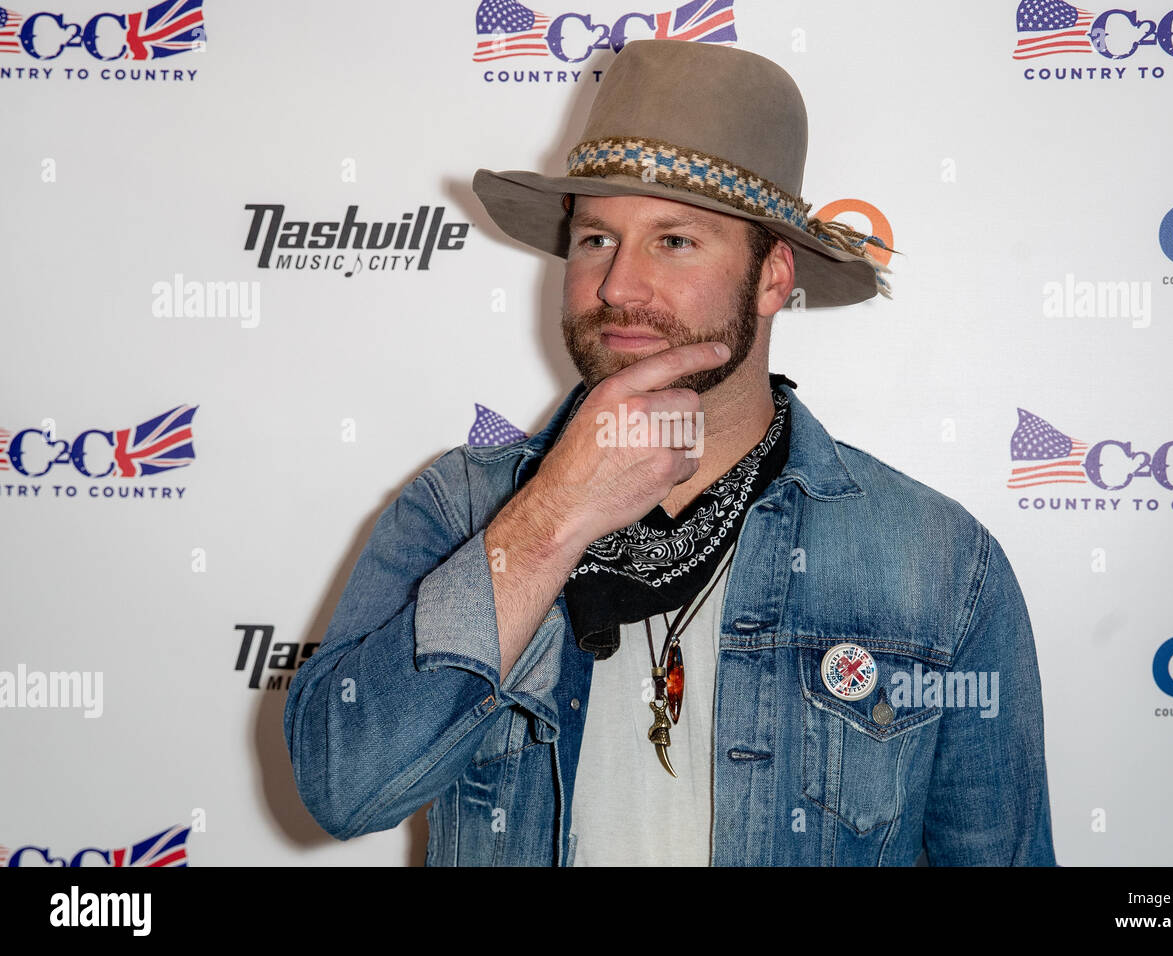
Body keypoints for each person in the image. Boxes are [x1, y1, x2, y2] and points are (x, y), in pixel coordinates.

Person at [283, 39, 1056, 866]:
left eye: (674, 241)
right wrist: (551, 517)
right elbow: (343, 788)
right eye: (593, 240)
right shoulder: (461, 508)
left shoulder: (933, 561)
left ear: (770, 278)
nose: (616, 286)